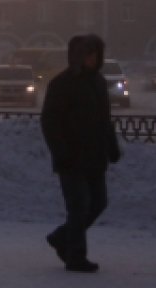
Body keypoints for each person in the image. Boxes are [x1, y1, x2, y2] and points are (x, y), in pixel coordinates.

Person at [40, 33, 121, 273]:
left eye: (96, 54)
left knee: (98, 203)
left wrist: (112, 145)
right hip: (72, 158)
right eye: (88, 54)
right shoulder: (62, 84)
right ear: (76, 57)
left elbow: (104, 119)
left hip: (95, 156)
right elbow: (50, 121)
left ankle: (61, 237)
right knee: (79, 206)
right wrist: (61, 151)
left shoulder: (98, 82)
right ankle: (75, 256)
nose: (93, 59)